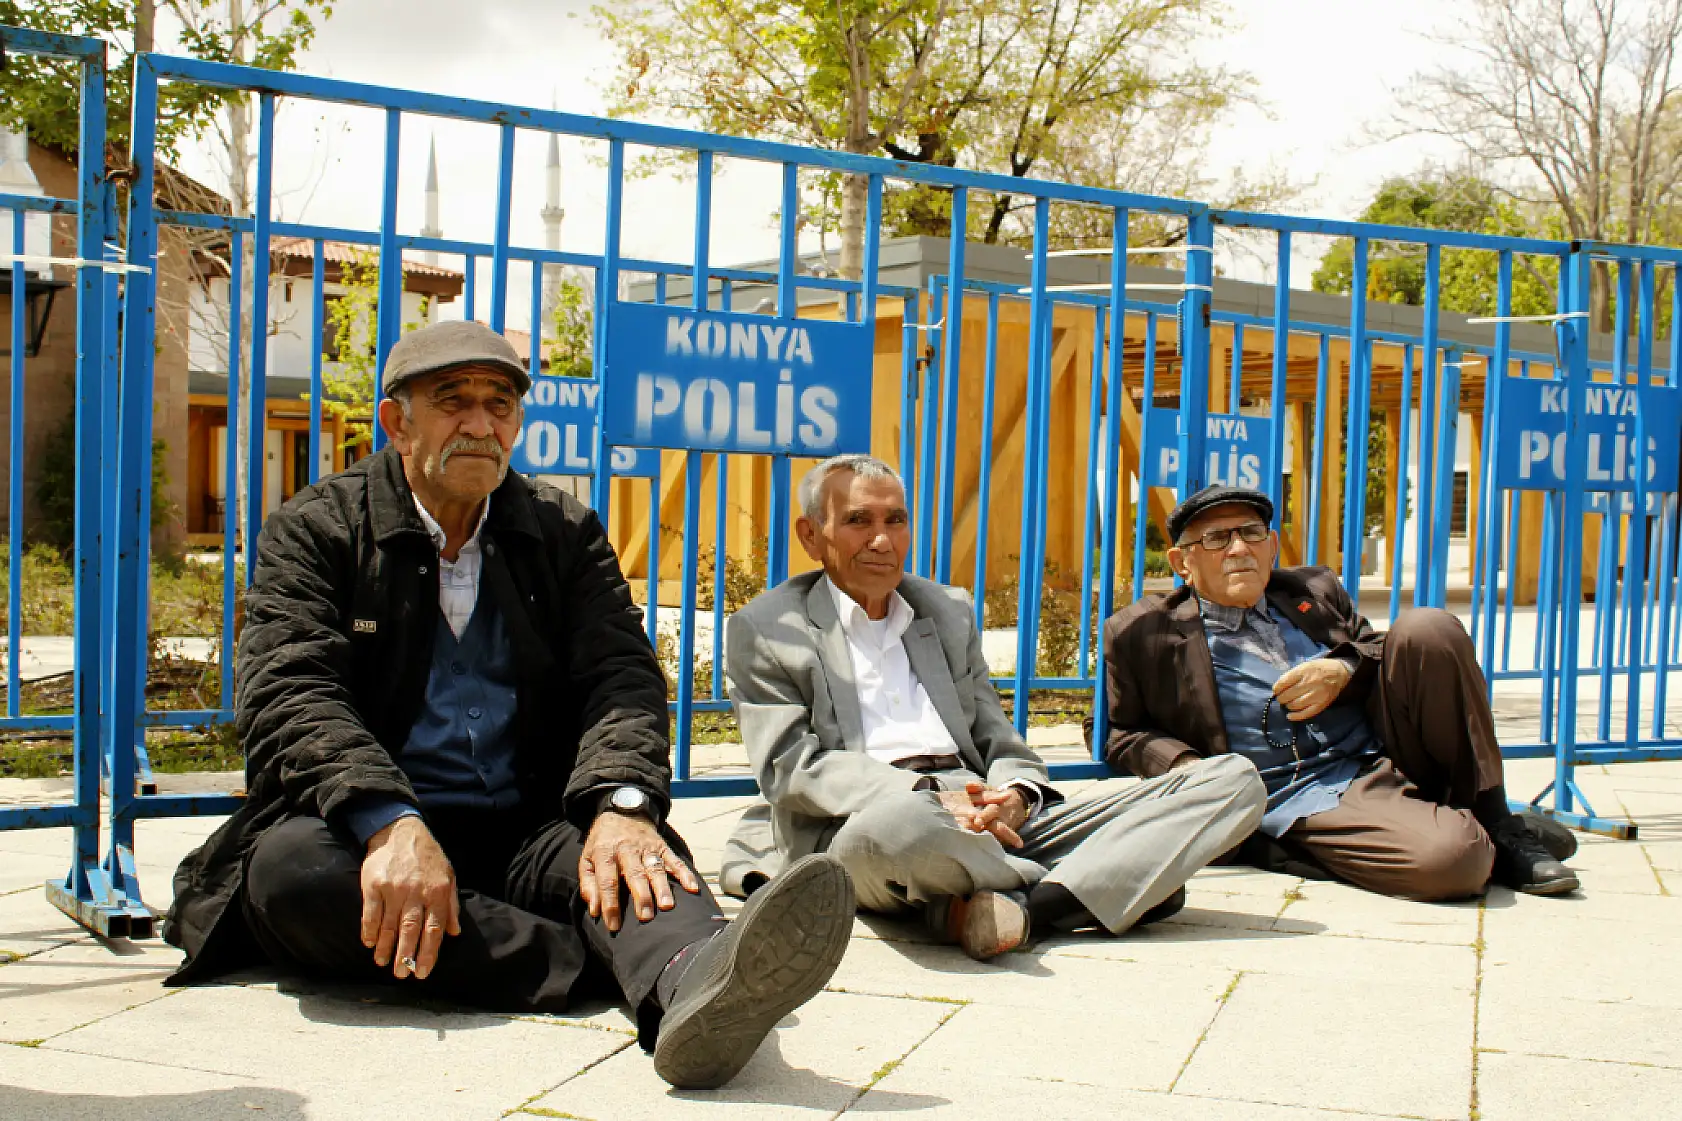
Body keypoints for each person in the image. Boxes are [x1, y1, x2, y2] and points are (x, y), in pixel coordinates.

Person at [162, 320, 854, 1090]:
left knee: (644, 860)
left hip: (530, 817)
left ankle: (695, 978)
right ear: (397, 422)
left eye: (499, 406)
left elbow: (621, 677)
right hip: (375, 823)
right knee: (291, 878)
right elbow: (289, 690)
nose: (480, 425)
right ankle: (612, 966)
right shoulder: (319, 528)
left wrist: (621, 805)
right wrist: (387, 818)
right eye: (452, 402)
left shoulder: (563, 530)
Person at [719, 454, 1266, 960]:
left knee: (1233, 779)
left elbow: (997, 736)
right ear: (811, 536)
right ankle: (1099, 880)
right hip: (871, 821)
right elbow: (790, 769)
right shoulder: (769, 629)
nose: (883, 540)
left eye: (896, 520)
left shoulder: (946, 610)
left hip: (988, 813)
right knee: (906, 826)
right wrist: (930, 794)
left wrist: (1016, 797)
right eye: (859, 521)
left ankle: (1028, 907)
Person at [1095, 483, 1579, 901]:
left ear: (1272, 546)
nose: (1238, 549)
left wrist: (1344, 668)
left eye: (1251, 533)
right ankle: (1458, 835)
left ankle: (1497, 823)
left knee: (1430, 628)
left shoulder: (1314, 590)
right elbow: (1119, 731)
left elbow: (1376, 646)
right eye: (1217, 539)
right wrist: (1188, 769)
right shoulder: (1143, 633)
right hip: (1300, 793)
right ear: (1182, 561)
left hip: (1386, 754)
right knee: (1453, 862)